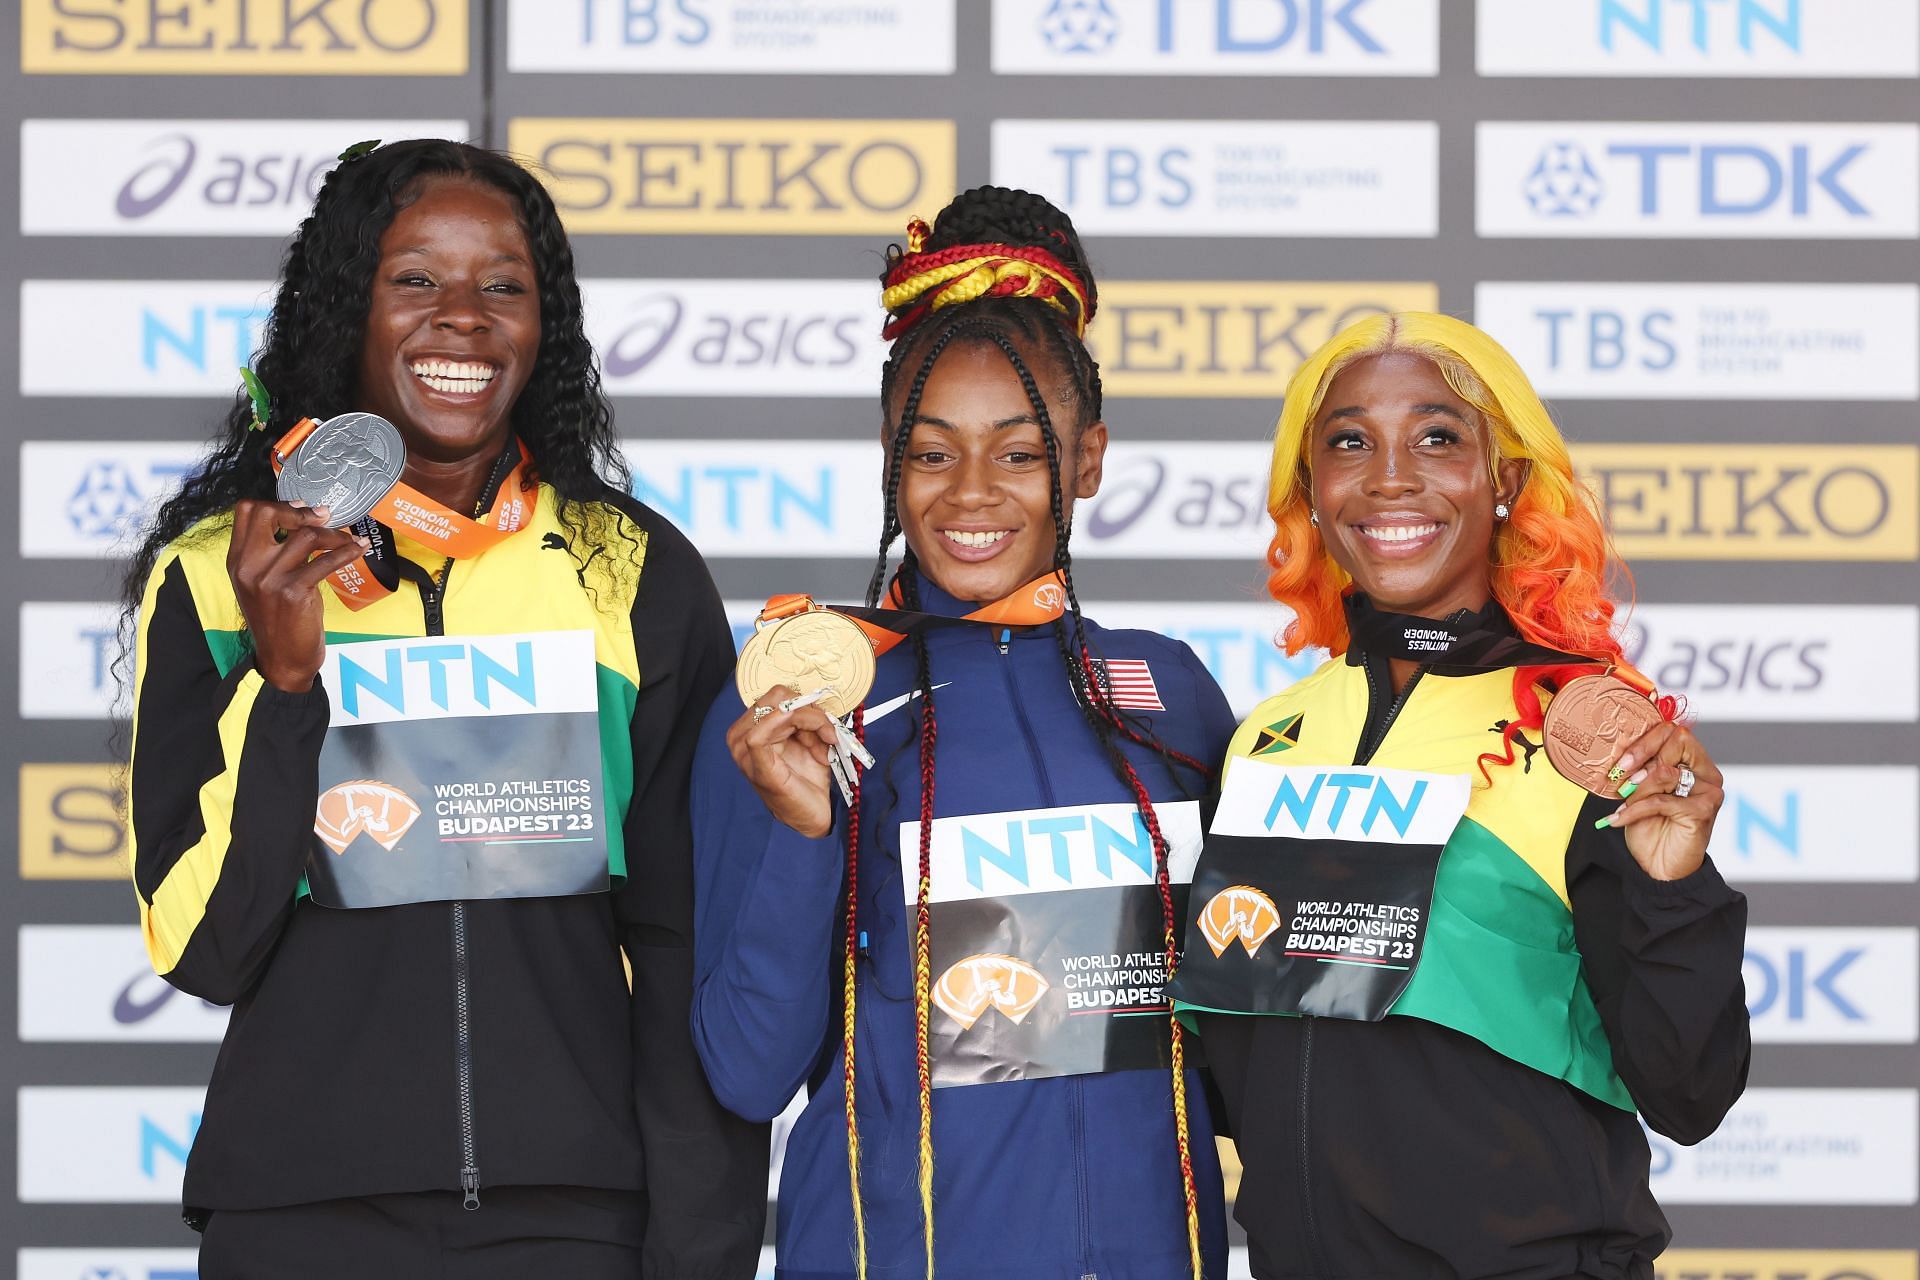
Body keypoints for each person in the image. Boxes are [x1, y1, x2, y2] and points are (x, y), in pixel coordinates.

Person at [122, 139, 766, 1279]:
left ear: (543, 322)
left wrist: (701, 1246)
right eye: (415, 278)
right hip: (300, 1208)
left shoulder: (630, 572)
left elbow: (681, 944)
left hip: (571, 1214)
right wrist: (283, 687)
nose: (462, 317)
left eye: (502, 284)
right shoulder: (226, 574)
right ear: (346, 310)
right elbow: (208, 945)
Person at [690, 187, 1233, 1279]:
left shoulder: (1167, 694)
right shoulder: (804, 702)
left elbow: (1242, 1036)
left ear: (1086, 462)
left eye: (1020, 452)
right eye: (932, 453)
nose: (970, 495)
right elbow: (748, 1071)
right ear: (890, 452)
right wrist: (802, 838)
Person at [1169, 312, 1750, 1280]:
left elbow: (1691, 1092)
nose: (1391, 474)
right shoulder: (1268, 735)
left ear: (1505, 480)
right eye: (1349, 441)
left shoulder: (1587, 728)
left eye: (1438, 437)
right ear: (1310, 489)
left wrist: (1674, 889)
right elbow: (1249, 1064)